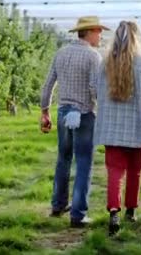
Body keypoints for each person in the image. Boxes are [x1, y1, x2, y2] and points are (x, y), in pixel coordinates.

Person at [40, 16, 109, 228]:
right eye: (99, 31)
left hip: (63, 112)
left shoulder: (61, 53)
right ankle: (78, 214)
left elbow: (48, 83)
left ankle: (58, 205)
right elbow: (94, 88)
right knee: (83, 162)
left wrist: (45, 111)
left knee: (63, 159)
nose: (101, 35)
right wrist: (103, 109)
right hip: (84, 114)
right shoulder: (92, 56)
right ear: (89, 32)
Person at [93, 21, 141, 236]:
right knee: (135, 171)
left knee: (114, 171)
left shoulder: (104, 64)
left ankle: (113, 212)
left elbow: (95, 91)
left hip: (111, 128)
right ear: (136, 38)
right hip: (137, 126)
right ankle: (131, 211)